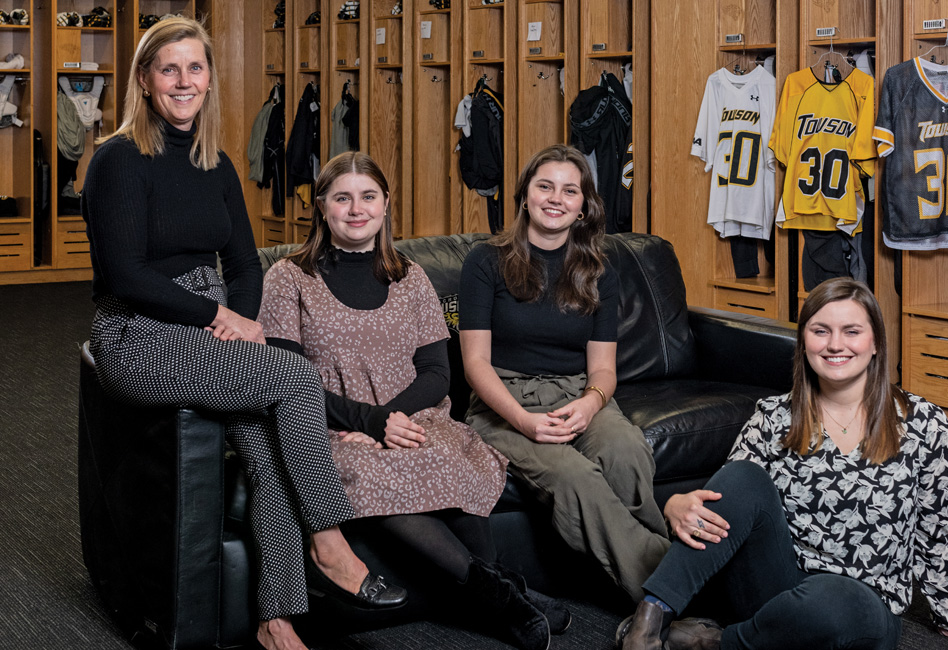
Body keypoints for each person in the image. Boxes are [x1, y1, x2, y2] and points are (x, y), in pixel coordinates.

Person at [81, 18, 404, 650]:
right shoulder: (117, 159)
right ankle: (329, 540)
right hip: (138, 333)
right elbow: (125, 272)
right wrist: (216, 318)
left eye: (195, 68)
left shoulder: (215, 162)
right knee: (295, 377)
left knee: (265, 439)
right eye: (168, 69)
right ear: (145, 82)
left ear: (208, 79)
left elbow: (246, 263)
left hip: (213, 328)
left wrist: (247, 323)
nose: (183, 81)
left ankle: (275, 617)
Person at [257, 151, 569, 650]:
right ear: (321, 207)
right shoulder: (288, 279)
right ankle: (504, 601)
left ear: (385, 206)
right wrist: (372, 423)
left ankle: (506, 589)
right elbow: (283, 377)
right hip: (331, 426)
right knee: (375, 469)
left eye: (368, 197)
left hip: (411, 414)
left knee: (449, 456)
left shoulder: (410, 276)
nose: (356, 209)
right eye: (342, 198)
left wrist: (393, 418)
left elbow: (437, 372)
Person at [617, 277, 948, 650]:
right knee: (742, 475)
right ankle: (649, 624)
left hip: (861, 605)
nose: (835, 344)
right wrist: (675, 505)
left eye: (851, 331)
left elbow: (935, 524)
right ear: (803, 341)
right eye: (820, 331)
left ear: (876, 343)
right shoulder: (773, 415)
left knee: (833, 601)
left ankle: (713, 642)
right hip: (774, 585)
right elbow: (728, 503)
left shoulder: (925, 423)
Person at [458, 144, 670, 603]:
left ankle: (665, 581)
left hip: (579, 393)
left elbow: (603, 369)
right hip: (504, 402)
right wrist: (522, 420)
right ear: (525, 195)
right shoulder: (484, 261)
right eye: (545, 186)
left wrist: (591, 403)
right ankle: (665, 595)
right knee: (575, 478)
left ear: (583, 205)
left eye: (569, 190)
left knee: (627, 450)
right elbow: (474, 364)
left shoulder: (599, 269)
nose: (556, 198)